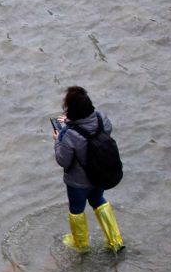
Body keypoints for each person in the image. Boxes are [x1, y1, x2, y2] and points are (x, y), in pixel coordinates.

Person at [53, 86, 124, 252]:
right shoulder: (102, 119)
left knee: (77, 210)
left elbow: (63, 160)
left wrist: (58, 138)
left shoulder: (70, 135)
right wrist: (69, 123)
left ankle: (80, 244)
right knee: (98, 200)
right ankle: (115, 240)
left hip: (78, 183)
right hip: (100, 174)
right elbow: (93, 130)